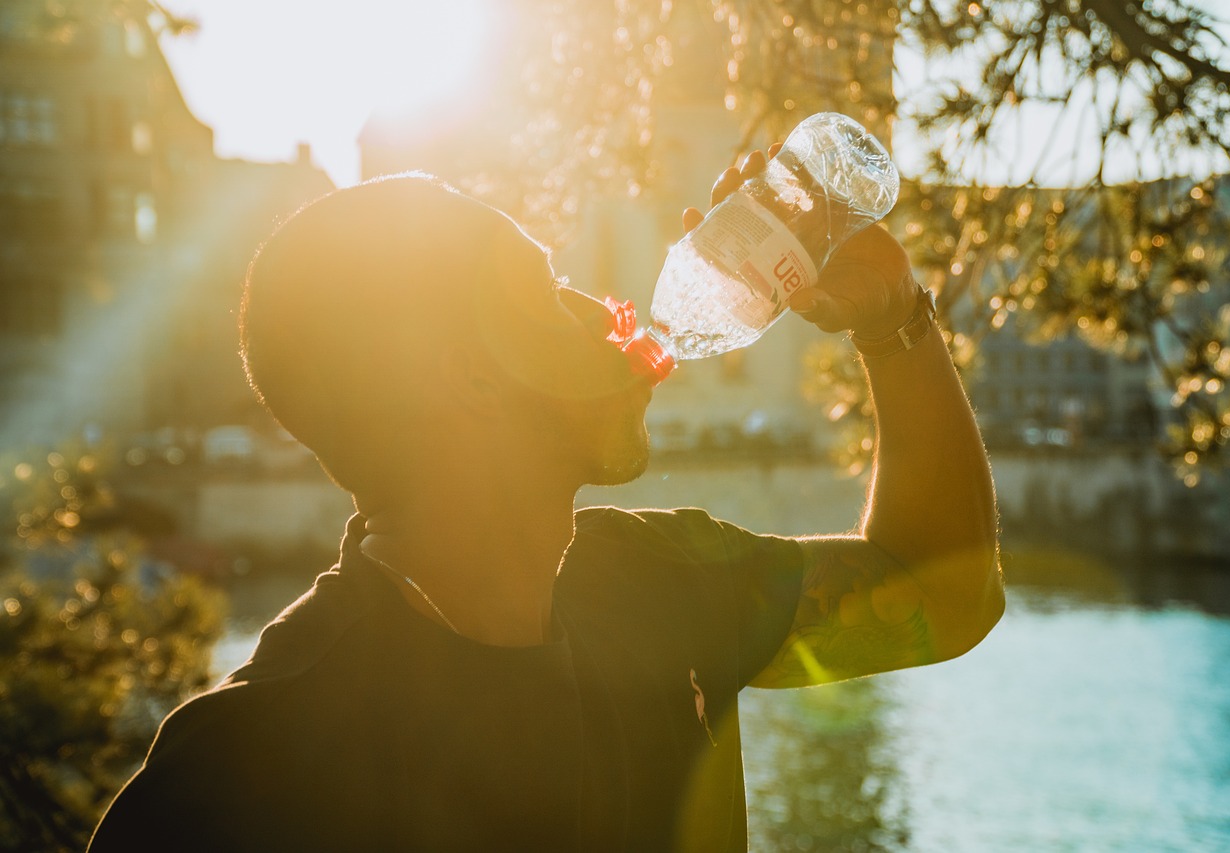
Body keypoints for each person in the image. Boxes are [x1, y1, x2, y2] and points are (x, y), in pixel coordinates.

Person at [88, 148, 1003, 851]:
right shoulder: (231, 777)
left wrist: (895, 322)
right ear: (472, 379)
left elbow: (942, 591)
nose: (607, 308)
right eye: (545, 287)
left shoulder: (661, 580)